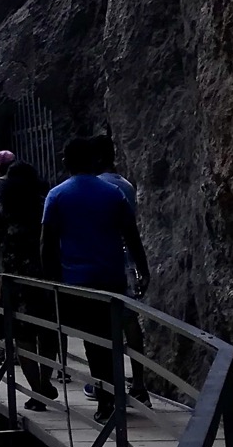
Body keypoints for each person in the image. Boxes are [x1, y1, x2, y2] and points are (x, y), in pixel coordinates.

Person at [42, 135, 151, 422]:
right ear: (93, 161)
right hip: (112, 277)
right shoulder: (113, 193)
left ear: (66, 162)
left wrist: (51, 278)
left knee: (93, 341)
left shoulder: (57, 195)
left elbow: (48, 243)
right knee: (111, 337)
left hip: (77, 280)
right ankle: (115, 393)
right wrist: (144, 268)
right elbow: (132, 234)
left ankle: (106, 400)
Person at [0, 161, 58, 408]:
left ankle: (37, 392)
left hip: (16, 282)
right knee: (47, 334)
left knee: (23, 338)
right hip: (47, 280)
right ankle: (45, 381)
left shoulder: (2, 211)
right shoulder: (46, 205)